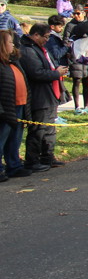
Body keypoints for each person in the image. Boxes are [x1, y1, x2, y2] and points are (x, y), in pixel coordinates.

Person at [19, 24, 69, 172]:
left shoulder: (40, 48)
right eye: (45, 37)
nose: (47, 40)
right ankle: (32, 160)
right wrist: (56, 73)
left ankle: (48, 156)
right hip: (39, 96)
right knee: (38, 130)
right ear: (36, 35)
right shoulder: (28, 50)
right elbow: (37, 73)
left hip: (50, 94)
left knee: (49, 129)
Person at [0, 30, 29, 180]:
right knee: (1, 139)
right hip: (5, 109)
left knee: (14, 139)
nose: (13, 45)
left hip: (19, 105)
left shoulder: (12, 62)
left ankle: (14, 166)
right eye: (10, 42)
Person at [62, 5, 88, 115]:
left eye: (78, 13)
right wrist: (70, 53)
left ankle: (86, 106)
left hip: (87, 55)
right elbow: (65, 40)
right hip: (75, 56)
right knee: (77, 81)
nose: (76, 16)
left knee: (86, 82)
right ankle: (77, 106)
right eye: (74, 13)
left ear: (83, 13)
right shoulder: (70, 25)